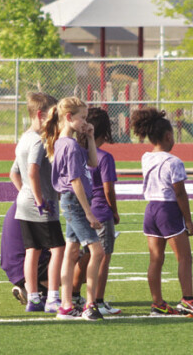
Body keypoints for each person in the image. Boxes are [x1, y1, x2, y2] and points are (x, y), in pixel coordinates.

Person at [131, 108, 193, 318]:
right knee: (184, 257)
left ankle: (157, 303)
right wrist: (188, 220)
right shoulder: (174, 162)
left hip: (150, 209)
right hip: (167, 209)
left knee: (155, 259)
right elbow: (180, 193)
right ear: (168, 136)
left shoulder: (145, 157)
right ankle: (187, 299)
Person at [42, 96, 105, 321]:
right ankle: (89, 304)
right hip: (74, 202)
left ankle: (66, 305)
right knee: (97, 251)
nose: (86, 121)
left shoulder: (68, 142)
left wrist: (88, 137)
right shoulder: (67, 144)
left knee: (71, 253)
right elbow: (76, 181)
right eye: (83, 118)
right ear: (69, 118)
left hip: (72, 201)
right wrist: (88, 213)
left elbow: (94, 163)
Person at [10, 92, 65, 313]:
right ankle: (52, 297)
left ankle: (33, 298)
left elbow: (14, 173)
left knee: (32, 250)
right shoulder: (40, 140)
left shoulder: (24, 138)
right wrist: (40, 200)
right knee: (58, 249)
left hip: (25, 202)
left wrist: (25, 193)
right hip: (40, 205)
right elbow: (32, 171)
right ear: (41, 115)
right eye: (54, 116)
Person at [77, 107, 121, 315]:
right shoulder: (105, 157)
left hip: (82, 211)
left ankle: (76, 295)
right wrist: (114, 211)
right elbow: (107, 188)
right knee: (103, 258)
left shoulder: (78, 152)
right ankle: (99, 301)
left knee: (83, 256)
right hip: (101, 212)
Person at [0, 201, 50, 305]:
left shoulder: (23, 202)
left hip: (14, 268)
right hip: (25, 267)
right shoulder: (36, 206)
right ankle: (39, 290)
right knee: (76, 258)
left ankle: (30, 289)